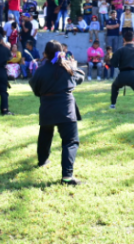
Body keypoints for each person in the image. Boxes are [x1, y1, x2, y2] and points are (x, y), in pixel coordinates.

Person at [30, 40, 84, 186]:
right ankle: (67, 177)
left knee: (45, 134)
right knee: (70, 141)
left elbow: (35, 89)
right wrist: (74, 66)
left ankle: (42, 161)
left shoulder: (40, 70)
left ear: (45, 54)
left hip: (47, 107)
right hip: (66, 108)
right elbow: (80, 78)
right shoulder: (68, 67)